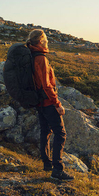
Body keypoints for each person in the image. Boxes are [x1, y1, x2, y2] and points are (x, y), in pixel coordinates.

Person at [27, 29, 73, 181]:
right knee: (61, 134)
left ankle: (47, 164)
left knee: (45, 132)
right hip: (47, 102)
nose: (47, 41)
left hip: (39, 102)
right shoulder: (41, 58)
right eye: (45, 39)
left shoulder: (31, 55)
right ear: (40, 41)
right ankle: (57, 170)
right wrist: (57, 103)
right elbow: (46, 85)